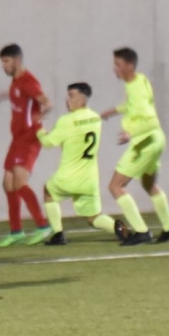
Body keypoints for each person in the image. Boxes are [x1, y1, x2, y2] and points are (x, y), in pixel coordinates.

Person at [101, 47, 169, 246]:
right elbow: (133, 106)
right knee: (148, 184)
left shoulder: (135, 87)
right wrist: (113, 111)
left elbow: (151, 120)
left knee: (115, 186)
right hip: (156, 140)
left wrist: (131, 133)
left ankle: (142, 232)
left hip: (146, 142)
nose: (114, 68)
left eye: (118, 64)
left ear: (129, 66)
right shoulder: (139, 81)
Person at [37, 83, 125, 245]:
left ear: (82, 99)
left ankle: (58, 234)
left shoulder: (66, 120)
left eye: (71, 96)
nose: (67, 99)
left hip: (68, 177)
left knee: (48, 192)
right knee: (93, 217)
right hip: (89, 179)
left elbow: (48, 143)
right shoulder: (95, 118)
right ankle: (116, 227)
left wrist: (40, 129)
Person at [0, 44, 52, 247]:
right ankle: (16, 231)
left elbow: (47, 102)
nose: (3, 66)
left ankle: (43, 226)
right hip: (17, 139)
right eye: (2, 62)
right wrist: (4, 95)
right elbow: (21, 95)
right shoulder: (17, 81)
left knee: (20, 183)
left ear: (17, 61)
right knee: (8, 184)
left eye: (6, 61)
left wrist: (38, 119)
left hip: (28, 139)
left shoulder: (27, 81)